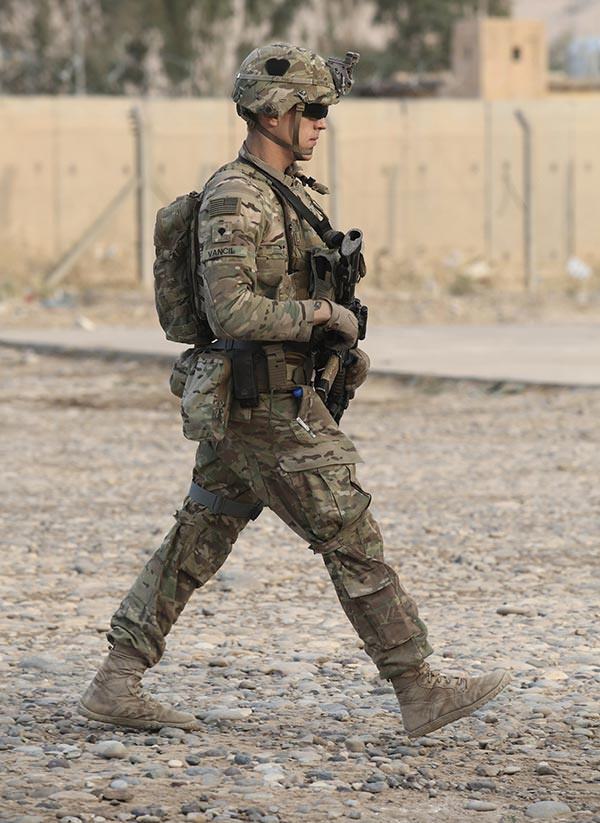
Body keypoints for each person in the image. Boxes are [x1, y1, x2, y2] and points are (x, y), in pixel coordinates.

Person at [79, 43, 510, 738]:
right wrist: (320, 314)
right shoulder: (236, 197)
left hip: (264, 398)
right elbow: (230, 312)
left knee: (200, 534)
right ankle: (418, 687)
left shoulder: (287, 192)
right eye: (311, 110)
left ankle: (115, 680)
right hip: (262, 402)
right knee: (348, 528)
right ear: (273, 113)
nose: (321, 123)